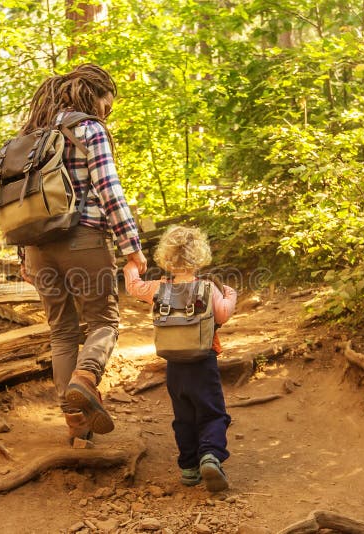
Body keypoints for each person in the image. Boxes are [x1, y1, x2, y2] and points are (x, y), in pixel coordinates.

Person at [20, 64, 148, 447]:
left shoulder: (31, 135)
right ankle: (85, 379)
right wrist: (131, 247)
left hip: (37, 247)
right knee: (104, 323)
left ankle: (76, 420)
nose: (108, 112)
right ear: (93, 95)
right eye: (107, 103)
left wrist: (23, 256)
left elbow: (16, 201)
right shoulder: (89, 130)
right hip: (84, 238)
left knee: (61, 332)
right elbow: (109, 189)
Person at [123, 225, 237, 492]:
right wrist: (231, 295)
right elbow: (221, 315)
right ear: (200, 256)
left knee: (183, 416)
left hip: (174, 364)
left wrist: (132, 264)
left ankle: (188, 468)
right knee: (212, 414)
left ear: (166, 257)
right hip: (204, 361)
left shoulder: (158, 288)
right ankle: (210, 455)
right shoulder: (208, 287)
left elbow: (133, 287)